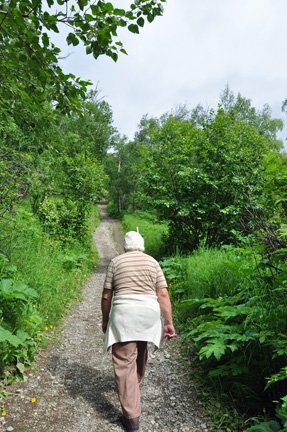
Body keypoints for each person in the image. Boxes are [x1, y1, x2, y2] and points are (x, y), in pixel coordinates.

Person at [101, 230, 176, 432]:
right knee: (140, 352)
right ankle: (133, 390)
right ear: (142, 245)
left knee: (125, 363)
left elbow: (107, 296)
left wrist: (105, 320)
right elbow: (162, 293)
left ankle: (132, 419)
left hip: (124, 315)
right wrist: (168, 322)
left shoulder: (116, 262)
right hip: (148, 317)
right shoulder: (153, 262)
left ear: (125, 246)